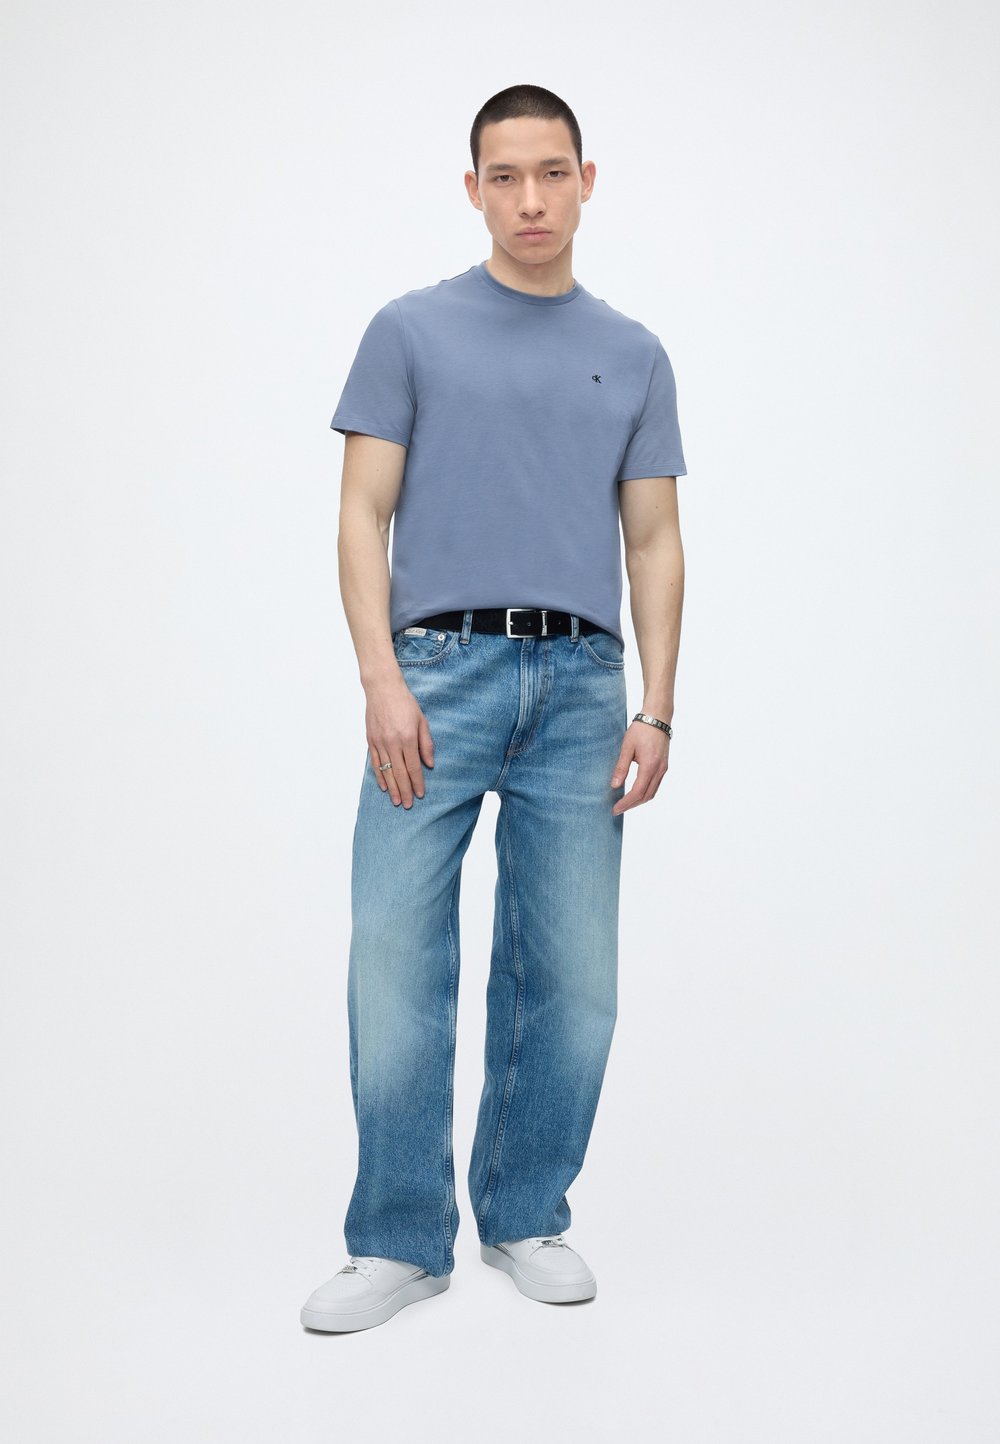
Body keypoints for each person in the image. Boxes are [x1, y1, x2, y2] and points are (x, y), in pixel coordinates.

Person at [300, 84, 688, 1334]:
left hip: (581, 689)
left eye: (551, 173)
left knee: (572, 971)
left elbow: (654, 538)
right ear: (472, 189)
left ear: (587, 181)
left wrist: (657, 708)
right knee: (394, 956)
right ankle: (399, 1239)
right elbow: (361, 513)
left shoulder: (633, 351)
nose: (530, 199)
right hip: (436, 675)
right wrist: (381, 679)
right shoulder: (409, 331)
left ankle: (525, 1213)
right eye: (505, 176)